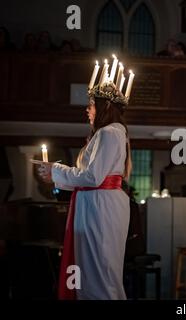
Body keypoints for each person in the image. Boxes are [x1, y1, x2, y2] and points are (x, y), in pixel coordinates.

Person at [37, 61, 133, 300]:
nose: (87, 109)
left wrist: (57, 171)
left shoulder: (109, 132)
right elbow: (90, 176)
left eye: (91, 104)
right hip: (97, 203)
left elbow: (92, 176)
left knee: (99, 273)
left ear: (105, 106)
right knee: (95, 271)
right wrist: (55, 175)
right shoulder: (109, 133)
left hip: (100, 207)